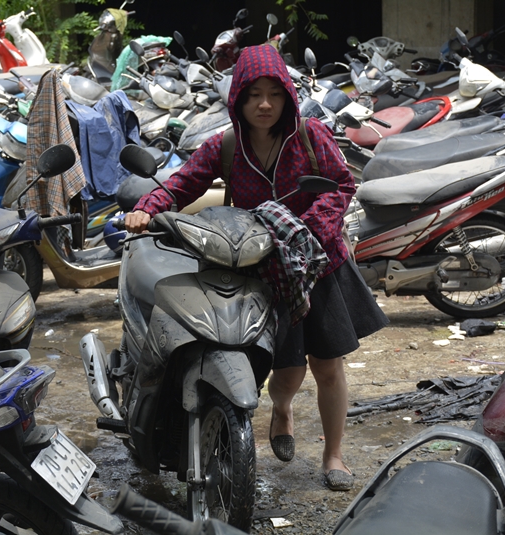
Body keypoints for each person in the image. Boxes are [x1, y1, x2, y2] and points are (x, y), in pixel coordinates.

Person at [124, 44, 388, 491]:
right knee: (282, 367)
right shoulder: (225, 144)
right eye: (253, 96)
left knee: (327, 366)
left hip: (317, 265)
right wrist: (147, 207)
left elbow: (341, 185)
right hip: (258, 269)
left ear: (287, 96)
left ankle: (334, 455)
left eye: (273, 94)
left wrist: (304, 229)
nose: (264, 104)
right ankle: (281, 409)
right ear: (238, 100)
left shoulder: (309, 136)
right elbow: (184, 181)